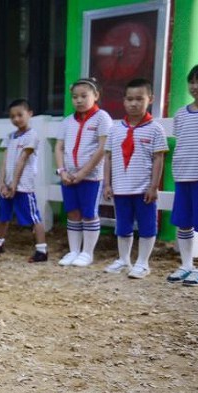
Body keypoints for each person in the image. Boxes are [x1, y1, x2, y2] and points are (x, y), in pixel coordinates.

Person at [102, 78, 169, 279]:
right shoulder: (115, 129)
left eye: (139, 99)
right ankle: (124, 259)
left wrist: (153, 186)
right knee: (122, 225)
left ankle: (143, 263)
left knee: (147, 225)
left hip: (143, 189)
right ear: (124, 101)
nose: (134, 103)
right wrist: (107, 183)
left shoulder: (156, 129)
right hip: (121, 188)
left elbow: (159, 158)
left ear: (150, 99)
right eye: (130, 99)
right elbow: (108, 157)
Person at [54, 77, 113, 267]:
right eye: (74, 97)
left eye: (83, 96)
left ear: (95, 96)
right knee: (72, 212)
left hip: (91, 177)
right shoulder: (67, 121)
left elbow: (103, 147)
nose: (78, 100)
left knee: (89, 213)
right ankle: (73, 251)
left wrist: (83, 173)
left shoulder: (102, 118)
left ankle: (87, 253)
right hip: (68, 176)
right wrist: (62, 171)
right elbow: (59, 147)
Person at [166, 61, 198, 286]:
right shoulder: (181, 113)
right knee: (183, 222)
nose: (195, 86)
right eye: (192, 82)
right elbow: (181, 143)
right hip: (183, 176)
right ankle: (186, 265)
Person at [0, 99, 48, 262]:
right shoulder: (10, 137)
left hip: (23, 186)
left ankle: (42, 249)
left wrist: (14, 184)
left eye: (20, 115)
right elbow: (5, 160)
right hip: (8, 185)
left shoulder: (31, 135)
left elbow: (22, 160)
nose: (16, 119)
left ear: (29, 114)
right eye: (12, 116)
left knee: (33, 217)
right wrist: (2, 182)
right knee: (3, 215)